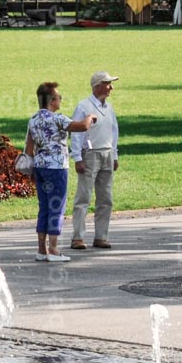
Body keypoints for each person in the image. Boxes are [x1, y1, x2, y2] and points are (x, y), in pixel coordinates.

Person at [24, 82, 96, 262]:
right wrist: (90, 117)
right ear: (51, 100)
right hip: (56, 167)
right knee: (57, 205)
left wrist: (32, 167)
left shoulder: (33, 119)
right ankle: (54, 248)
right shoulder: (58, 118)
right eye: (59, 97)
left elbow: (29, 146)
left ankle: (41, 249)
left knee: (44, 207)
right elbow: (81, 127)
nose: (60, 100)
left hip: (40, 167)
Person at [69, 71, 120, 250]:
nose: (111, 87)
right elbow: (77, 133)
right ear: (98, 86)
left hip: (106, 153)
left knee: (106, 198)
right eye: (108, 83)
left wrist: (114, 155)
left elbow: (114, 132)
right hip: (89, 155)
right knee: (84, 197)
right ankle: (78, 237)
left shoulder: (109, 108)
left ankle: (101, 236)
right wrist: (77, 157)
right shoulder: (84, 106)